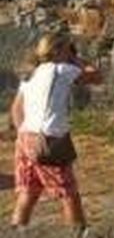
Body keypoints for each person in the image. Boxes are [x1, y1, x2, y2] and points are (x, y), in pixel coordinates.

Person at [11, 36, 101, 227]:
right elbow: (97, 76)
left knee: (28, 192)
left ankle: (15, 237)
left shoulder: (31, 74)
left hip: (25, 136)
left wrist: (24, 136)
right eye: (69, 50)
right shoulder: (63, 70)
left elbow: (16, 109)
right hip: (48, 138)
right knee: (68, 194)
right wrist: (77, 60)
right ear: (58, 51)